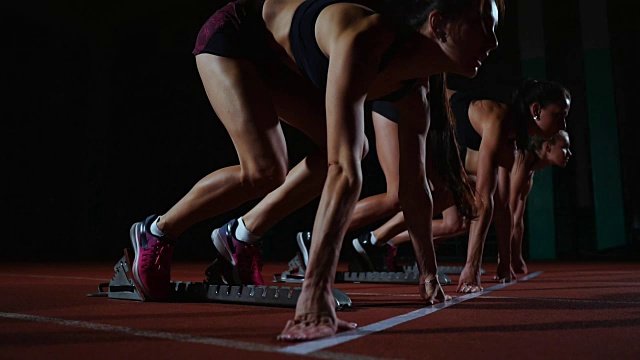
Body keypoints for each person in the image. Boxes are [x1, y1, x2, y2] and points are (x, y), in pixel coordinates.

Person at [128, 0, 501, 341]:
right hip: (236, 36)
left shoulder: (413, 92)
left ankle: (241, 235)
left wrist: (429, 273)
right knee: (266, 169)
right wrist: (315, 290)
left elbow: (416, 188)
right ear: (439, 25)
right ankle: (157, 231)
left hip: (276, 61)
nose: (494, 42)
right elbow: (345, 171)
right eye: (484, 25)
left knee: (350, 150)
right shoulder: (365, 38)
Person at [355, 130, 572, 275]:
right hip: (447, 162)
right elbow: (508, 212)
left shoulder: (528, 172)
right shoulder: (520, 161)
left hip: (456, 170)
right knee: (422, 202)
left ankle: (383, 239)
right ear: (546, 147)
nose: (569, 153)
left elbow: (517, 217)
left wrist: (513, 257)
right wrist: (507, 259)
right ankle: (373, 238)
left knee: (456, 224)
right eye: (565, 147)